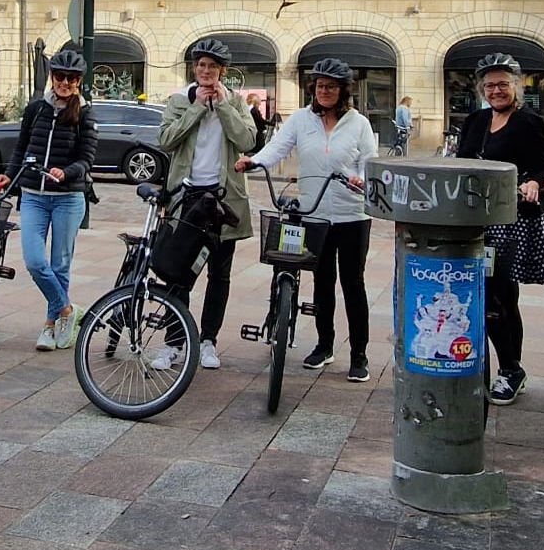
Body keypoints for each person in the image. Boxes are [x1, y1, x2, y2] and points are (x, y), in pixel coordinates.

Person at [237, 58, 379, 382]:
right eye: (319, 86)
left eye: (331, 86)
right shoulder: (301, 120)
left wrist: (359, 178)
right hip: (314, 214)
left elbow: (369, 162)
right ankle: (324, 345)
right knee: (322, 281)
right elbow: (277, 148)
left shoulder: (358, 124)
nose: (324, 91)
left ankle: (359, 354)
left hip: (351, 215)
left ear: (343, 91)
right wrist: (253, 162)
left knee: (353, 284)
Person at [452, 54, 544, 406]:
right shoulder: (476, 120)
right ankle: (477, 360)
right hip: (476, 218)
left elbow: (543, 168)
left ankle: (511, 368)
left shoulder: (529, 122)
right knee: (478, 294)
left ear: (517, 86)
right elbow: (461, 163)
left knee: (500, 295)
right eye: (490, 85)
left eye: (503, 84)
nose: (496, 90)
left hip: (511, 220)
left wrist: (531, 183)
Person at [156, 37, 256, 370]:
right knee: (176, 272)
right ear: (195, 69)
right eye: (201, 65)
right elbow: (166, 140)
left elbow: (247, 140)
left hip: (223, 198)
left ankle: (208, 341)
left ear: (222, 71)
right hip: (188, 198)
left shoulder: (236, 103)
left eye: (213, 67)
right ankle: (174, 342)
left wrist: (223, 107)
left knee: (219, 273)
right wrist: (198, 108)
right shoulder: (179, 100)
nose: (206, 72)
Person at [0, 49, 98, 350]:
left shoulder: (86, 113)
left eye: (72, 78)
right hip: (34, 197)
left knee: (60, 264)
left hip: (67, 198)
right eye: (59, 76)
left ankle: (50, 327)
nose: (65, 82)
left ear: (79, 81)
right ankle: (68, 310)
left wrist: (65, 173)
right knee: (35, 262)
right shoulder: (36, 109)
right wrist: (8, 177)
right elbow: (20, 147)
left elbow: (86, 159)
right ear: (52, 77)